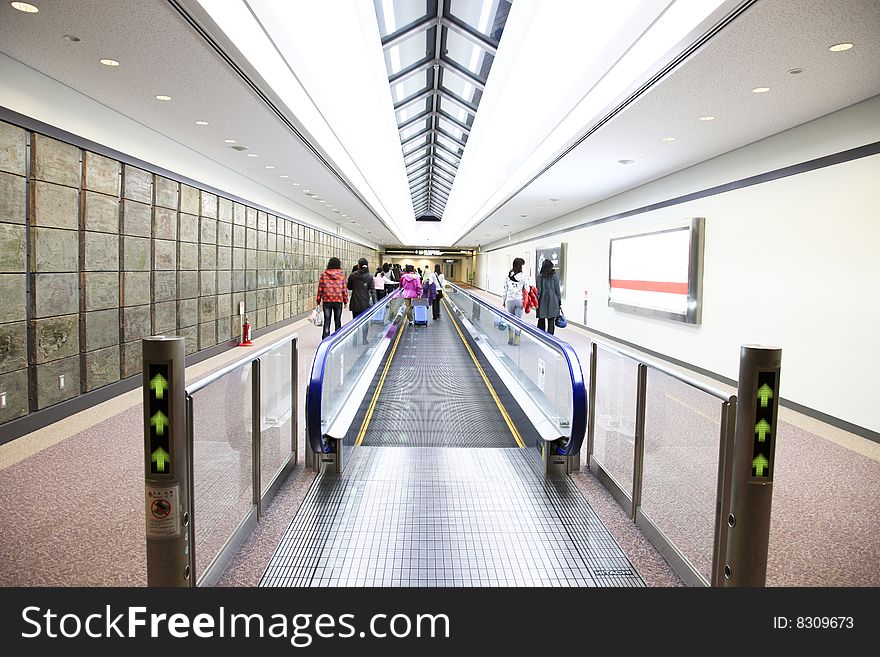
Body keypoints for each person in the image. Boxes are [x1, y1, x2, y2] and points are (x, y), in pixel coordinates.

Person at [316, 257, 347, 339]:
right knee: (337, 320)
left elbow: (320, 288)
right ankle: (338, 338)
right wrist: (345, 300)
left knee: (327, 320)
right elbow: (344, 289)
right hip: (338, 300)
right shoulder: (341, 275)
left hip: (327, 301)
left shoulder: (324, 274)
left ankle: (325, 339)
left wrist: (318, 300)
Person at [502, 257, 530, 345]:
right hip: (519, 300)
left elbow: (505, 289)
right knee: (518, 320)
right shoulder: (523, 276)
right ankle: (517, 339)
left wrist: (503, 300)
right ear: (521, 266)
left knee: (510, 319)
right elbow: (528, 289)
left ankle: (511, 337)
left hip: (510, 300)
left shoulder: (508, 276)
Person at [348, 257, 373, 345]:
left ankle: (354, 341)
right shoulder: (369, 277)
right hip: (365, 302)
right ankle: (364, 340)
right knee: (365, 322)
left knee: (355, 322)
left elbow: (349, 287)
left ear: (358, 265)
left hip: (355, 302)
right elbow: (372, 290)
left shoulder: (353, 275)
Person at [536, 258, 561, 335]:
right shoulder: (554, 276)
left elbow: (538, 292)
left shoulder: (539, 277)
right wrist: (559, 302)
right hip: (553, 301)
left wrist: (536, 302)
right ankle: (550, 338)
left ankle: (541, 336)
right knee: (551, 321)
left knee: (541, 320)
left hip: (542, 301)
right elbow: (557, 290)